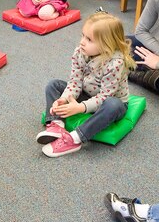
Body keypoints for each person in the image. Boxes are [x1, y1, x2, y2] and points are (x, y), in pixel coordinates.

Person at [38, 11, 135, 157]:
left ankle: (74, 138)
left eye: (89, 39)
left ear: (107, 44)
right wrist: (64, 99)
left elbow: (105, 97)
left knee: (113, 105)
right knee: (54, 85)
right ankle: (56, 125)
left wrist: (80, 108)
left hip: (108, 103)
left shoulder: (115, 63)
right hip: (86, 94)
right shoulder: (80, 52)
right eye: (83, 35)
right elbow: (75, 82)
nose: (82, 41)